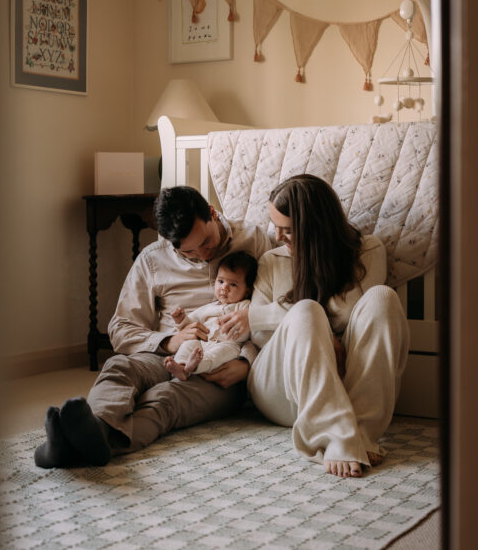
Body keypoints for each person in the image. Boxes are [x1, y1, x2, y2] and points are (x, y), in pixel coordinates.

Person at [34, 187, 271, 468]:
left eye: (206, 242)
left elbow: (278, 311)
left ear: (211, 212)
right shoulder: (152, 259)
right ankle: (95, 431)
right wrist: (169, 341)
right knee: (119, 367)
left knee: (164, 397)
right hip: (164, 355)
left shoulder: (254, 240)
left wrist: (246, 363)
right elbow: (121, 328)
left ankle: (68, 448)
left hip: (220, 366)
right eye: (188, 251)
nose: (202, 255)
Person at [218, 174, 409, 479]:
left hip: (346, 380)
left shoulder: (367, 250)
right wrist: (311, 326)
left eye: (288, 230)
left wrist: (265, 316)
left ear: (317, 227)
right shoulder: (271, 260)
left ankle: (359, 433)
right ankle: (335, 434)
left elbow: (348, 312)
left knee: (382, 298)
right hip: (282, 389)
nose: (278, 237)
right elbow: (263, 336)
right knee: (307, 310)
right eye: (276, 227)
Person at [163, 251, 258, 380]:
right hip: (203, 342)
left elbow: (249, 329)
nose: (224, 288)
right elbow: (192, 323)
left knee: (218, 354)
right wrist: (181, 319)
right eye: (221, 281)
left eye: (233, 284)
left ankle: (195, 366)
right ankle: (181, 367)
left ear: (247, 291)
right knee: (188, 345)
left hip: (228, 344)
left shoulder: (244, 307)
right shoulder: (209, 307)